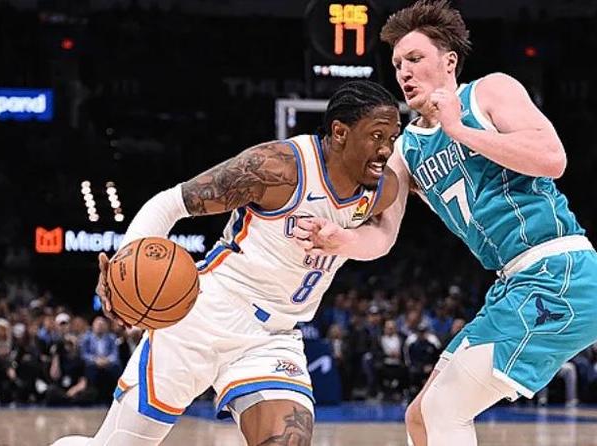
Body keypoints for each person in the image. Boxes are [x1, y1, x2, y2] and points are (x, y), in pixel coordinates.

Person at [292, 1, 597, 445]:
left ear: (449, 62)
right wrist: (340, 239)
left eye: (415, 58)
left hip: (560, 271)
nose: (404, 72)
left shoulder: (489, 92)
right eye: (398, 64)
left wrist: (459, 129)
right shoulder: (406, 150)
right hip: (512, 285)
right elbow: (383, 237)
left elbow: (552, 159)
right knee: (420, 416)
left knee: (444, 410)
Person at [51, 80, 401, 446]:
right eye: (376, 136)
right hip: (205, 315)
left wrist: (343, 239)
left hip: (273, 336)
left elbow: (381, 236)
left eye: (392, 138)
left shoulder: (381, 190)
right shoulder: (278, 169)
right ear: (340, 132)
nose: (385, 149)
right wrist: (122, 268)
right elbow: (170, 204)